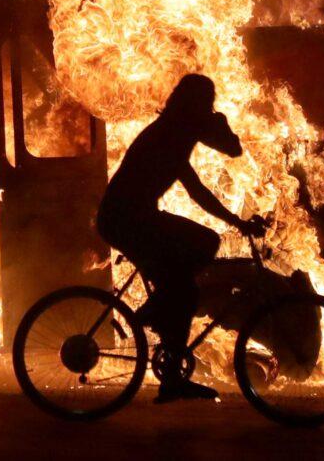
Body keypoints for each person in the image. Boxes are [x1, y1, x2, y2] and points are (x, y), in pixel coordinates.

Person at [97, 73, 266, 403]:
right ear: (194, 105)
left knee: (183, 292)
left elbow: (228, 154)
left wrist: (236, 221)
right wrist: (218, 124)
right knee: (201, 252)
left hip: (134, 218)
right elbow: (201, 189)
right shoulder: (171, 135)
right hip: (125, 220)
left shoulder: (175, 132)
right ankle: (153, 312)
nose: (210, 108)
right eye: (207, 102)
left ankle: (169, 363)